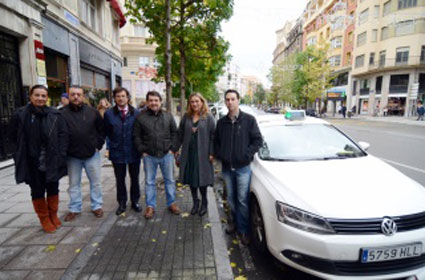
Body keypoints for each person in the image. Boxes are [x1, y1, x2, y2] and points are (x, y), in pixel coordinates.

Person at [8, 85, 68, 233]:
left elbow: (63, 135)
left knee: (53, 187)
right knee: (37, 190)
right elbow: (11, 137)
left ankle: (53, 215)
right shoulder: (21, 115)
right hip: (32, 161)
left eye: (43, 96)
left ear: (47, 98)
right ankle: (44, 219)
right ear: (30, 96)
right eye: (37, 95)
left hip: (51, 159)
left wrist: (61, 154)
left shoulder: (55, 114)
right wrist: (17, 155)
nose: (40, 98)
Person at [214, 89, 263, 245]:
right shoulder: (221, 123)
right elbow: (216, 142)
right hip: (227, 169)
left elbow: (257, 141)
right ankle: (233, 223)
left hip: (243, 168)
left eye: (233, 99)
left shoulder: (249, 120)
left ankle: (243, 230)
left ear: (238, 100)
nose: (230, 102)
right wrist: (220, 155)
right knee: (231, 199)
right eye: (227, 99)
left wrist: (246, 155)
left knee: (242, 200)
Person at [133, 91, 181, 219]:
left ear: (160, 102)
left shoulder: (168, 116)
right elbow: (136, 136)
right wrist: (142, 150)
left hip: (167, 154)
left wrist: (173, 149)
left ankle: (172, 203)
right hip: (149, 156)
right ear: (147, 102)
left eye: (156, 100)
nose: (154, 103)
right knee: (149, 182)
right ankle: (150, 206)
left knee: (170, 180)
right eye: (151, 100)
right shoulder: (140, 118)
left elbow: (175, 134)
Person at [61, 85, 105, 221]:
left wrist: (98, 145)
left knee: (96, 182)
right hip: (72, 156)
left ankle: (96, 205)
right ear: (69, 96)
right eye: (73, 94)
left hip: (91, 154)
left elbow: (101, 130)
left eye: (78, 94)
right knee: (74, 184)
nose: (76, 97)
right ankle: (75, 208)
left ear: (83, 96)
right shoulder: (62, 113)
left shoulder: (92, 112)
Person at [104, 87, 142, 215]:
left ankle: (135, 201)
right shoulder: (109, 114)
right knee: (120, 179)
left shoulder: (136, 113)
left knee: (135, 178)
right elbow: (107, 132)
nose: (121, 98)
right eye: (118, 96)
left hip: (133, 151)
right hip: (117, 152)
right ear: (114, 98)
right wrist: (109, 147)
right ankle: (121, 203)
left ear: (128, 98)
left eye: (123, 96)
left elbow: (140, 132)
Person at [177, 93, 215, 216]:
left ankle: (204, 202)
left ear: (202, 102)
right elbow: (180, 134)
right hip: (189, 153)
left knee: (202, 180)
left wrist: (212, 152)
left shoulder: (208, 117)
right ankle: (195, 203)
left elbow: (213, 136)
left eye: (197, 101)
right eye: (192, 102)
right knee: (192, 180)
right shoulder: (186, 117)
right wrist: (175, 149)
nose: (194, 104)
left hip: (203, 154)